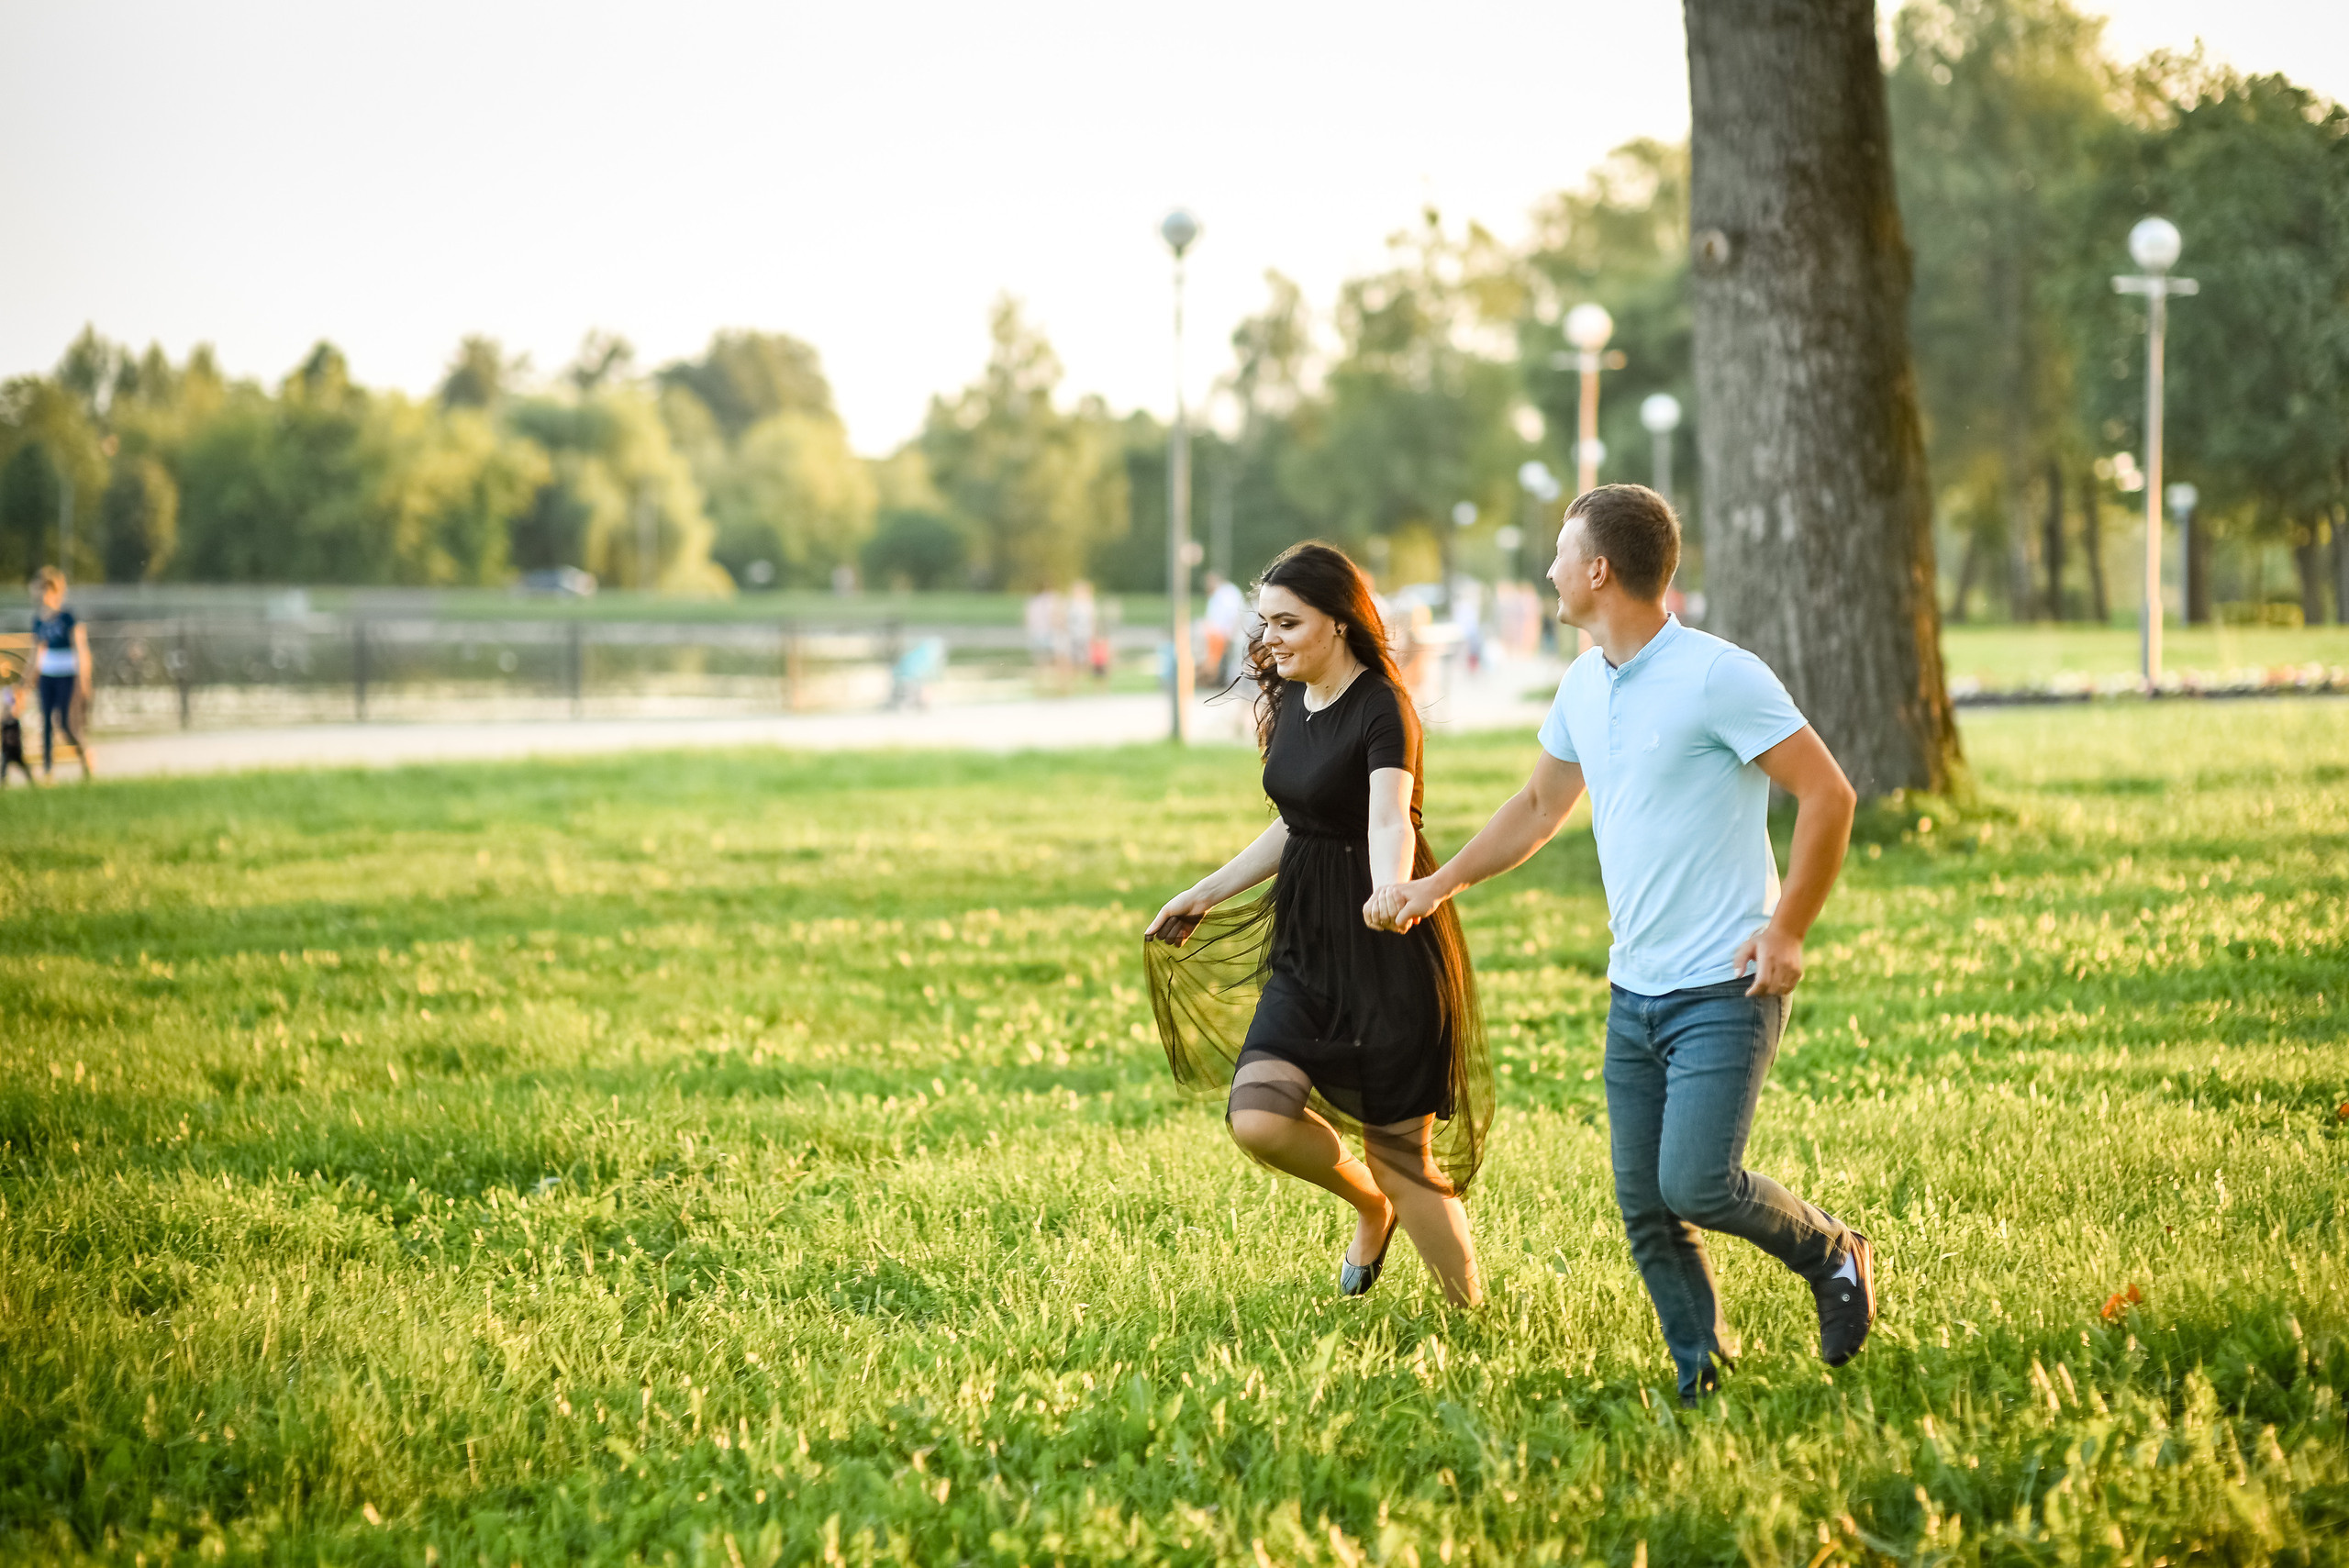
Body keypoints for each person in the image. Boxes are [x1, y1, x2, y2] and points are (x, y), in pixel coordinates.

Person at [1367, 484, 1869, 1403]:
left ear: (1598, 569)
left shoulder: (1719, 674)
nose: (1548, 570)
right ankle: (1700, 1370)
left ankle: (1832, 1250)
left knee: (1697, 1181)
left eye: (1560, 553)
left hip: (1726, 980)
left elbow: (1826, 793)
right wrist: (1438, 885)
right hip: (1632, 990)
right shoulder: (1582, 683)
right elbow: (1537, 806)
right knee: (1644, 1202)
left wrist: (1787, 926)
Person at [1144, 542, 1493, 1305]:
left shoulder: (1382, 707)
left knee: (1404, 1157)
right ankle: (1371, 1205)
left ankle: (1472, 1316)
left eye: (1287, 622)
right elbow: (1298, 823)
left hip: (1385, 944)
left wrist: (1390, 889)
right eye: (1264, 623)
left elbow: (1387, 817)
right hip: (1305, 944)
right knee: (1260, 1118)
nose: (1270, 639)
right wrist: (1206, 891)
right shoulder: (1289, 701)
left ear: (1339, 621)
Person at [28, 567, 95, 781]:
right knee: (46, 722)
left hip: (67, 676)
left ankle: (84, 754)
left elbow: (81, 649)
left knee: (66, 723)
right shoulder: (38, 621)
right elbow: (35, 654)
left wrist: (83, 679)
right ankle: (48, 771)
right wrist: (25, 683)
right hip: (47, 676)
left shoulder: (68, 617)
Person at [0, 674, 30, 786]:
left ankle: (31, 781)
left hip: (14, 748)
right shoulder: (6, 693)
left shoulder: (12, 693)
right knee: (5, 766)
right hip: (7, 748)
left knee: (21, 764)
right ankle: (3, 783)